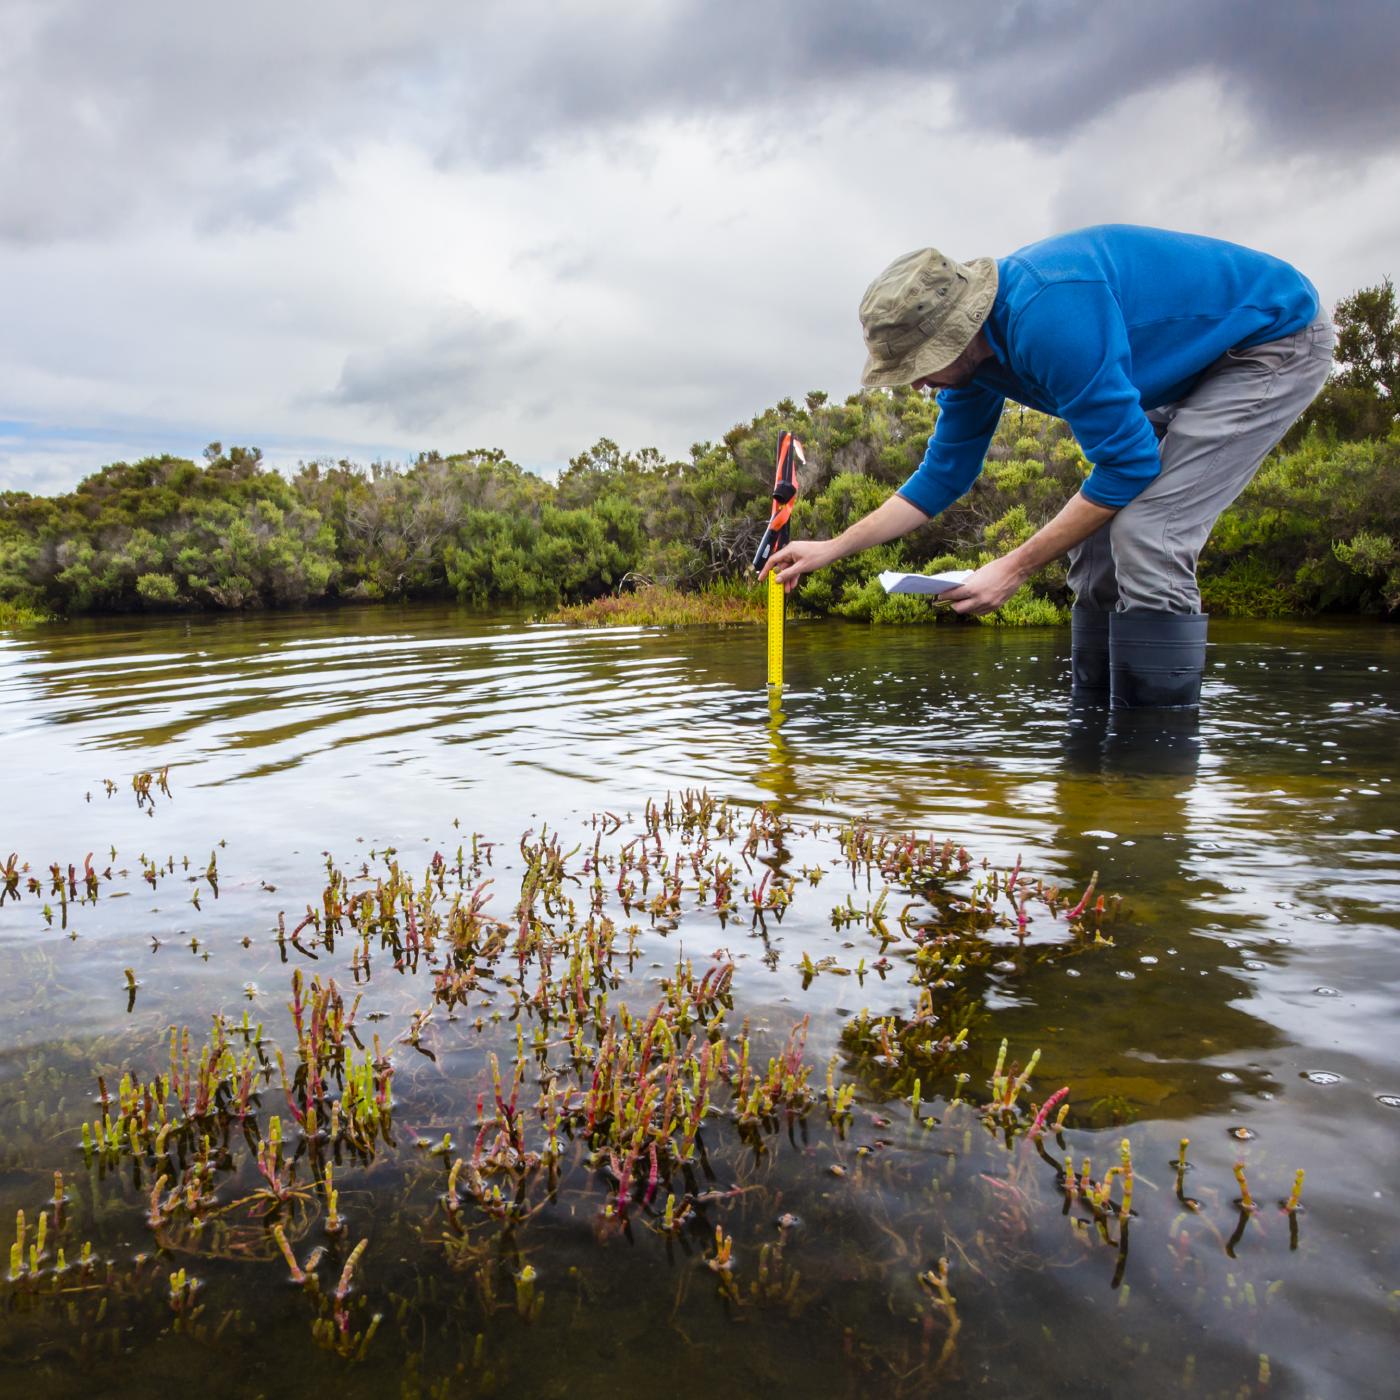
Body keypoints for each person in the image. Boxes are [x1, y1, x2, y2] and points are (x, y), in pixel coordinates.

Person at [760, 225, 1334, 708]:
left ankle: (1151, 770)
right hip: (1182, 368)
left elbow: (1128, 466)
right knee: (1098, 543)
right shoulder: (974, 365)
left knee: (1147, 531)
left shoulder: (1050, 317)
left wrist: (1013, 567)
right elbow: (944, 475)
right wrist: (832, 547)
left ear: (961, 332)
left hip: (1268, 343)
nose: (915, 380)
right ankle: (1092, 746)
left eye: (922, 362)